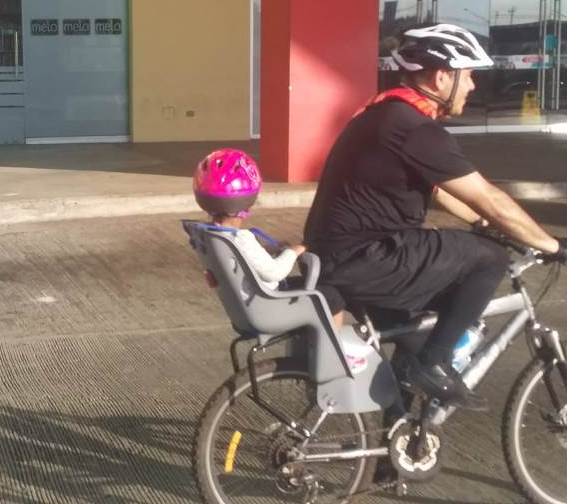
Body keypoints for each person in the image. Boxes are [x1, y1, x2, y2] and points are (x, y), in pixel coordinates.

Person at [303, 23, 566, 409]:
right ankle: (434, 364)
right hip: (367, 256)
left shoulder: (384, 114)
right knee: (488, 258)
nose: (473, 86)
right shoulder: (413, 129)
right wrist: (551, 244)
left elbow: (443, 191)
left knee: (417, 332)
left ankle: (398, 439)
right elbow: (489, 198)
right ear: (442, 77)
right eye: (469, 75)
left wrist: (482, 224)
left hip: (341, 255)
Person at [193, 148, 307, 291]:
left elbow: (244, 257)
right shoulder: (241, 240)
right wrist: (297, 250)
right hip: (269, 298)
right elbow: (274, 272)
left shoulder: (207, 234)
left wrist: (271, 250)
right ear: (247, 202)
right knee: (326, 292)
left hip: (241, 297)